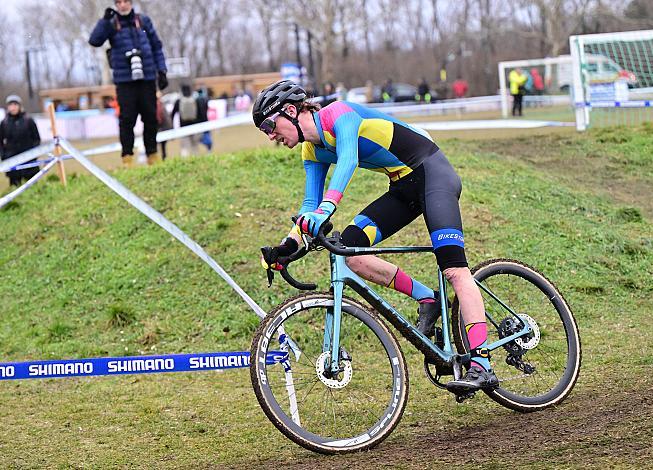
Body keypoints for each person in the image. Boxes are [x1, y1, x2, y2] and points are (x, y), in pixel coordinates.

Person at [254, 80, 498, 393]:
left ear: (290, 111)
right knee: (350, 252)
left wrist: (327, 209)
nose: (271, 135)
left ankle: (482, 363)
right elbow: (309, 206)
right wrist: (286, 246)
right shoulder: (311, 149)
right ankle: (428, 298)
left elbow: (348, 160)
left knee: (454, 269)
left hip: (432, 173)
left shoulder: (338, 115)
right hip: (401, 187)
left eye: (270, 126)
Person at [89, 0, 169, 167]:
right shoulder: (111, 25)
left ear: (131, 3)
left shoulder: (143, 22)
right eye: (119, 2)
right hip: (125, 81)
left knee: (150, 118)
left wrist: (161, 71)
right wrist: (104, 21)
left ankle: (152, 155)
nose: (123, 5)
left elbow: (156, 46)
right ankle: (127, 158)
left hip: (146, 78)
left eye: (126, 1)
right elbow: (95, 41)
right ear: (116, 5)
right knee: (127, 120)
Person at [0, 95, 41, 187]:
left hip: (29, 160)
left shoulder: (28, 120)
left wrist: (33, 155)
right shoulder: (4, 123)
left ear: (19, 106)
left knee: (33, 187)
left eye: (15, 104)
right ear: (8, 107)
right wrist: (4, 156)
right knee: (15, 187)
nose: (13, 107)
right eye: (11, 105)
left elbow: (36, 139)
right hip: (12, 160)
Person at [172, 84, 200, 157]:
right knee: (194, 146)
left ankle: (184, 163)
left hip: (183, 127)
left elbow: (173, 114)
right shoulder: (194, 100)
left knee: (184, 147)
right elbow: (199, 113)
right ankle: (196, 160)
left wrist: (172, 126)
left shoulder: (179, 101)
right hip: (194, 126)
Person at [155, 91, 172, 160]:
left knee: (159, 146)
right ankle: (162, 158)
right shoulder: (159, 105)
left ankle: (161, 158)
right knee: (162, 146)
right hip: (161, 127)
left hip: (158, 127)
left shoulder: (156, 104)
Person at [196, 88, 213, 153]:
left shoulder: (196, 100)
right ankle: (209, 149)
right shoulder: (205, 99)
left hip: (199, 121)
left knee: (200, 136)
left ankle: (207, 146)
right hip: (205, 120)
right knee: (206, 135)